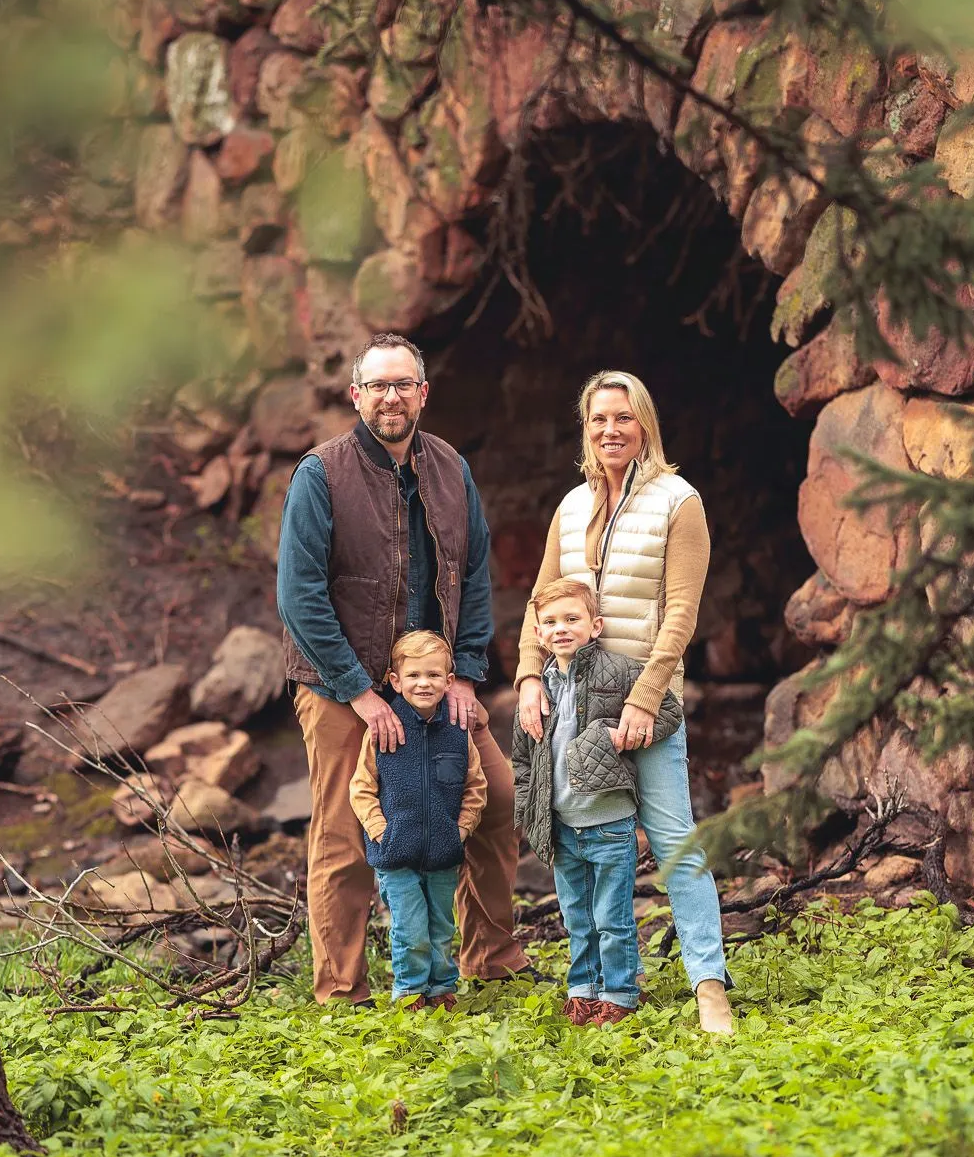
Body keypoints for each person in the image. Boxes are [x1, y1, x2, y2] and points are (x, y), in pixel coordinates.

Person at [277, 330, 529, 1004]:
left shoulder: (450, 467)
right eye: (377, 385)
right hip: (340, 686)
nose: (391, 396)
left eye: (403, 384)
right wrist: (359, 692)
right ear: (355, 394)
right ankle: (342, 993)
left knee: (497, 802)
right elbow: (297, 594)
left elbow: (474, 576)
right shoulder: (320, 473)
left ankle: (490, 956)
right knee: (343, 836)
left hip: (433, 685)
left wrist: (467, 676)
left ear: (423, 393)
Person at [514, 371, 734, 1035]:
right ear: (586, 430)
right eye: (598, 420)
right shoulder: (570, 506)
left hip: (645, 700)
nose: (610, 431)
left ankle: (708, 985)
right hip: (573, 702)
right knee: (577, 836)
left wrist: (644, 696)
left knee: (671, 839)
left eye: (623, 418)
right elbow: (540, 599)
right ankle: (599, 982)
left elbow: (681, 610)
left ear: (644, 425)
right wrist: (528, 676)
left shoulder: (678, 501)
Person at [512, 579, 681, 1026]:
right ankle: (583, 989)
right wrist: (530, 814)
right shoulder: (538, 690)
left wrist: (621, 734)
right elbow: (523, 762)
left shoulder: (619, 670)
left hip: (609, 823)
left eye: (572, 619)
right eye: (550, 622)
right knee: (576, 916)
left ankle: (620, 993)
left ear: (595, 625)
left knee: (612, 917)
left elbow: (669, 710)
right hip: (562, 825)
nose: (561, 629)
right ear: (537, 631)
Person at [349, 631, 488, 1009]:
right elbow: (361, 788)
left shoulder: (458, 731)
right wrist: (383, 832)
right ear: (395, 680)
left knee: (442, 927)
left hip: (444, 852)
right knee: (411, 930)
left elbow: (475, 785)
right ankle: (409, 992)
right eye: (413, 676)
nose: (423, 683)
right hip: (396, 854)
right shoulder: (383, 728)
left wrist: (459, 831)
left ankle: (442, 988)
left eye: (432, 675)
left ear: (448, 680)